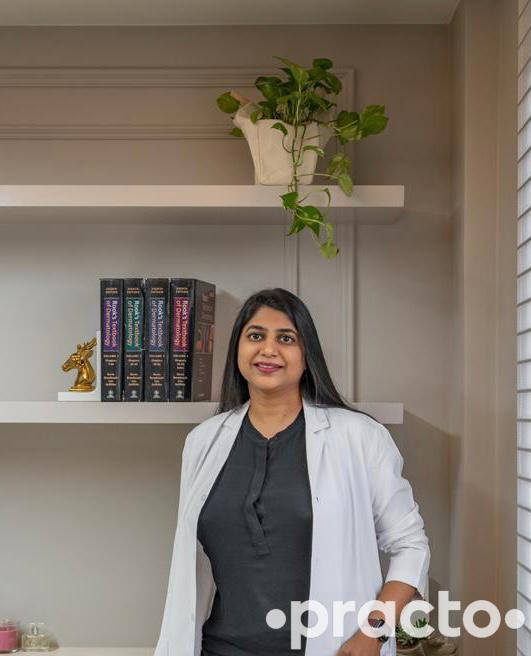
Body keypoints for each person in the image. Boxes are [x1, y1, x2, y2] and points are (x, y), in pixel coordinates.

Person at [154, 288, 430, 656]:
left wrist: (372, 635)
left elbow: (411, 547)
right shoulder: (203, 442)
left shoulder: (360, 437)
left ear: (306, 354)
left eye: (285, 338)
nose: (268, 350)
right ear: (238, 349)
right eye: (256, 336)